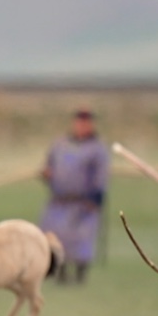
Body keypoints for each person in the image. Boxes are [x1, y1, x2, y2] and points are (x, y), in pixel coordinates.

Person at [39, 108, 109, 284]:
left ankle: (80, 277)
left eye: (86, 122)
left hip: (83, 203)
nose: (82, 126)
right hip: (59, 202)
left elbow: (101, 176)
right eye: (79, 122)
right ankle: (59, 275)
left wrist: (95, 199)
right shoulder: (60, 145)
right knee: (56, 239)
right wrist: (47, 174)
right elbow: (49, 165)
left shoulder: (97, 149)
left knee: (82, 242)